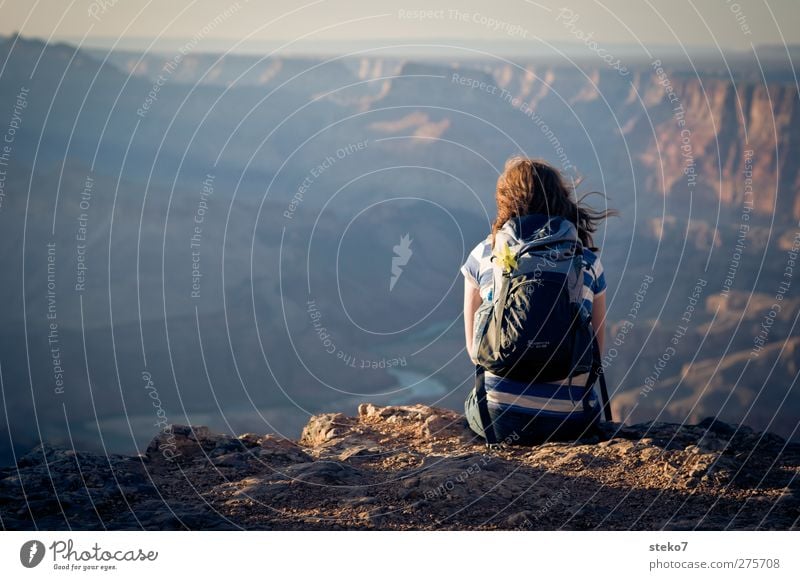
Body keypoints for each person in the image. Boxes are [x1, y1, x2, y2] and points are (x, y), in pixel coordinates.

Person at [461, 156, 616, 445]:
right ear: (561, 200)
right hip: (571, 422)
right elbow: (595, 353)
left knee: (475, 402)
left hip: (499, 420)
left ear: (505, 200)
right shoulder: (587, 261)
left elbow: (475, 351)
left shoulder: (484, 254)